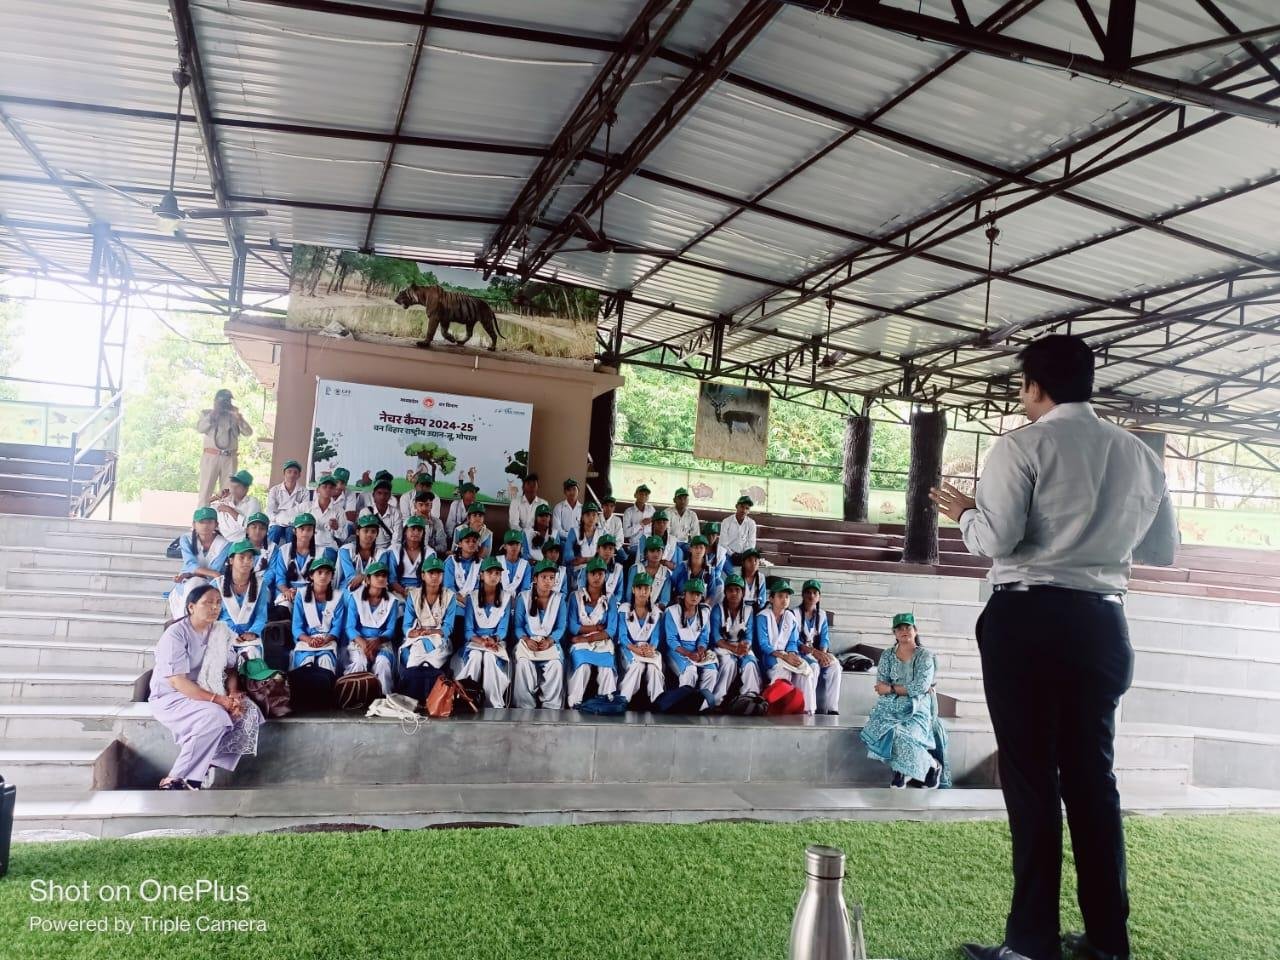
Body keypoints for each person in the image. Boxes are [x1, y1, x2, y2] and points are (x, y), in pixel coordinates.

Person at [929, 334, 1178, 960]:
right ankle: (1108, 941)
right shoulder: (1141, 455)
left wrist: (964, 513)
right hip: (1103, 622)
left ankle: (1031, 943)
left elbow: (996, 539)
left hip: (1030, 619)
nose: (1022, 396)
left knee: (1032, 778)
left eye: (1022, 385)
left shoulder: (1022, 446)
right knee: (1094, 780)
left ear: (1035, 386)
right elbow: (1158, 547)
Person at [151, 583, 263, 790]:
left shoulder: (221, 630)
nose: (215, 607)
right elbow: (177, 681)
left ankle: (206, 764)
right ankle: (176, 778)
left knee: (249, 712)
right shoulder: (176, 634)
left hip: (211, 690)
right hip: (173, 695)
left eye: (218, 603)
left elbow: (230, 668)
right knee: (215, 716)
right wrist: (220, 701)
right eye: (208, 603)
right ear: (191, 607)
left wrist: (233, 693)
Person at [859, 613, 943, 791]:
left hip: (918, 706)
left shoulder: (925, 656)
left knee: (901, 732)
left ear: (915, 631)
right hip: (892, 704)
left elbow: (920, 687)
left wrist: (891, 688)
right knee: (881, 729)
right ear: (894, 633)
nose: (904, 631)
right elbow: (881, 683)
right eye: (900, 628)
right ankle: (910, 768)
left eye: (908, 627)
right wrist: (896, 690)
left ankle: (927, 767)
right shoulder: (887, 655)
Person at [288, 556, 346, 708]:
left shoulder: (338, 596)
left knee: (325, 661)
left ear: (332, 576)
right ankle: (304, 702)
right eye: (319, 572)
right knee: (306, 663)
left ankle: (324, 702)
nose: (323, 576)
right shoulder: (301, 595)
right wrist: (309, 640)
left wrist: (326, 639)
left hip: (327, 641)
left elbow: (337, 627)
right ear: (311, 576)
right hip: (306, 641)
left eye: (327, 573)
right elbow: (296, 627)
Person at [399, 556, 459, 702]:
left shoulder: (450, 596)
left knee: (431, 661)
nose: (435, 576)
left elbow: (448, 627)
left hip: (440, 638)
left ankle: (431, 701)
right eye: (431, 573)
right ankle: (411, 700)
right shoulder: (413, 595)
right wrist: (412, 632)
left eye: (438, 573)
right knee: (417, 650)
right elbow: (406, 625)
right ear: (423, 575)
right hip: (418, 637)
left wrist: (433, 632)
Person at [458, 555, 513, 707]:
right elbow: (468, 630)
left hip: (496, 642)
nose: (494, 576)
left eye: (497, 573)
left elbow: (503, 629)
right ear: (481, 575)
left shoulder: (506, 598)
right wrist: (481, 641)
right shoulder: (472, 597)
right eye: (490, 572)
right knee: (475, 656)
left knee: (489, 657)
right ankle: (467, 699)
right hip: (476, 642)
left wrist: (493, 640)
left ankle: (493, 702)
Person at [513, 558, 567, 709]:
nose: (548, 581)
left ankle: (551, 706)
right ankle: (524, 706)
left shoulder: (559, 599)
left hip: (549, 643)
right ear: (535, 579)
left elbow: (561, 627)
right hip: (528, 642)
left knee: (556, 665)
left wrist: (550, 640)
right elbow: (518, 626)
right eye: (544, 577)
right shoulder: (523, 597)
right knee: (523, 663)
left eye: (551, 578)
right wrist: (526, 639)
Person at [565, 557, 618, 707]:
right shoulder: (575, 597)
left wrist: (589, 638)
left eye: (600, 574)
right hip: (580, 641)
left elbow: (610, 630)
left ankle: (606, 702)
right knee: (583, 667)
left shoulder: (610, 598)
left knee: (606, 668)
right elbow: (573, 627)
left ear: (605, 576)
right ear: (587, 575)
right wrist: (595, 628)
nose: (596, 577)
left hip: (601, 641)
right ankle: (574, 703)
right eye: (593, 573)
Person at [755, 580, 814, 713]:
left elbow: (793, 642)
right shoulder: (763, 616)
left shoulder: (790, 616)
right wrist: (784, 657)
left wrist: (792, 654)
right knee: (783, 671)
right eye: (780, 596)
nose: (784, 600)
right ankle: (777, 707)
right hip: (770, 657)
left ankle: (806, 709)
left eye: (787, 597)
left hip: (787, 655)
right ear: (771, 599)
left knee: (805, 671)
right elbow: (764, 645)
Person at [342, 560, 400, 697]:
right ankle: (355, 698)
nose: (381, 578)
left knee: (383, 663)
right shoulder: (355, 597)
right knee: (359, 662)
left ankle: (384, 698)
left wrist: (377, 642)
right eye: (376, 575)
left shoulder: (392, 601)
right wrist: (364, 644)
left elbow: (391, 629)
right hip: (359, 641)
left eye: (384, 575)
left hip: (381, 642)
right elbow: (350, 627)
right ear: (367, 579)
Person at [662, 578, 717, 708]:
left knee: (712, 671)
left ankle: (702, 705)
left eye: (698, 594)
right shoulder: (672, 611)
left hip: (696, 650)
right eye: (691, 593)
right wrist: (688, 653)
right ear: (684, 593)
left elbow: (704, 638)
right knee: (690, 670)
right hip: (677, 651)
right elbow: (671, 640)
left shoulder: (705, 612)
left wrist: (701, 650)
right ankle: (683, 704)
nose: (695, 597)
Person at [169, 506, 230, 619]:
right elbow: (191, 564)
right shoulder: (186, 539)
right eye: (201, 522)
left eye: (209, 522)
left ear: (216, 524)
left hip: (211, 583)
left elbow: (216, 568)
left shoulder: (225, 544)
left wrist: (191, 573)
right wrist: (211, 573)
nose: (205, 526)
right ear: (194, 524)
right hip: (187, 582)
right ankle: (185, 621)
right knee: (193, 584)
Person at [214, 540, 270, 663]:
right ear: (231, 560)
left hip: (248, 639)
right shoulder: (216, 584)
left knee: (252, 655)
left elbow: (261, 615)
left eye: (250, 558)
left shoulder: (260, 585)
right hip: (223, 636)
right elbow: (212, 617)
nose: (247, 561)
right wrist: (227, 634)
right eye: (242, 557)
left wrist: (253, 632)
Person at [196, 388, 253, 505]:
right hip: (211, 456)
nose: (226, 403)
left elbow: (248, 432)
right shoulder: (207, 413)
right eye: (223, 401)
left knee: (228, 493)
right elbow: (200, 428)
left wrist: (239, 418)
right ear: (216, 401)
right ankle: (201, 516)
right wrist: (213, 414)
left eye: (228, 401)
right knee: (205, 491)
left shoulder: (234, 416)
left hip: (230, 457)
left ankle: (225, 516)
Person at [615, 571, 665, 706]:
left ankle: (657, 702)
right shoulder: (624, 609)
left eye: (646, 588)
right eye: (639, 588)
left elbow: (655, 637)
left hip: (648, 648)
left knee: (653, 667)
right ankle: (623, 699)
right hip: (629, 647)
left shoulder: (656, 612)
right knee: (637, 665)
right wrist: (634, 649)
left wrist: (651, 649)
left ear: (651, 590)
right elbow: (622, 636)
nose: (643, 592)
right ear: (633, 590)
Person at [710, 573, 761, 703]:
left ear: (743, 592)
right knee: (729, 663)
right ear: (725, 592)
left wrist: (744, 647)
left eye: (737, 590)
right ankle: (717, 700)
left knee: (750, 663)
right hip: (723, 646)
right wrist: (733, 649)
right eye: (730, 590)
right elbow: (716, 637)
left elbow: (749, 636)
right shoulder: (717, 609)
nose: (734, 593)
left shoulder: (749, 610)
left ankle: (750, 698)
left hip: (741, 645)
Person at [797, 579, 841, 715]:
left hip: (817, 653)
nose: (811, 596)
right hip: (801, 653)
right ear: (803, 595)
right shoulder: (794, 613)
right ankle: (811, 707)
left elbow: (824, 639)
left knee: (835, 666)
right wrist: (815, 653)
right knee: (814, 666)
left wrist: (823, 654)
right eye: (808, 592)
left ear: (819, 596)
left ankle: (832, 708)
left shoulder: (822, 615)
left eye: (815, 593)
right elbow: (794, 641)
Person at [265, 513, 318, 615]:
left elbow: (321, 580)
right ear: (294, 531)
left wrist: (304, 592)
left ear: (314, 532)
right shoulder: (284, 550)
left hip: (311, 592)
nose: (305, 533)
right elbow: (280, 578)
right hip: (288, 591)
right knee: (283, 609)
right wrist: (286, 591)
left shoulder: (321, 552)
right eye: (302, 529)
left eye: (309, 529)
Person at [338, 514, 392, 592]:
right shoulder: (346, 550)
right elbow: (350, 578)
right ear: (357, 532)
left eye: (373, 531)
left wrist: (363, 576)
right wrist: (367, 577)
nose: (369, 534)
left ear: (377, 534)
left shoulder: (382, 553)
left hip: (373, 587)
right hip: (349, 586)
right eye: (366, 531)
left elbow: (379, 576)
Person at [266, 459, 308, 545]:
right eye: (289, 472)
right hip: (277, 522)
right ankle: (269, 552)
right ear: (284, 473)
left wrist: (291, 521)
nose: (292, 475)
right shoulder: (275, 490)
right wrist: (280, 520)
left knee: (290, 531)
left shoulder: (304, 491)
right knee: (275, 530)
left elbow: (304, 511)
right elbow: (270, 511)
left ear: (299, 475)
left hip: (294, 523)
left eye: (295, 472)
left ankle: (291, 553)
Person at [389, 515, 432, 598]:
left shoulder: (429, 553)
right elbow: (392, 580)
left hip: (422, 592)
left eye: (419, 530)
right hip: (398, 592)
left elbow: (430, 581)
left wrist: (418, 594)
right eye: (413, 529)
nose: (416, 532)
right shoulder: (395, 550)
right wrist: (403, 592)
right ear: (405, 531)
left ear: (423, 534)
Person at [211, 470, 260, 543]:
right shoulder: (226, 499)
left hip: (240, 543)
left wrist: (230, 510)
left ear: (246, 489)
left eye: (237, 487)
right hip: (220, 541)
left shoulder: (252, 502)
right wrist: (216, 497)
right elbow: (204, 509)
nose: (233, 489)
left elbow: (251, 525)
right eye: (231, 486)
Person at [357, 477, 402, 554]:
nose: (382, 497)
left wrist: (388, 554)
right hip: (369, 549)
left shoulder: (396, 513)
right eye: (379, 493)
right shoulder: (365, 512)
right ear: (373, 495)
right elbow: (362, 537)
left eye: (386, 494)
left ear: (390, 496)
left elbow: (396, 540)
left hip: (390, 549)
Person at [672, 535, 721, 603]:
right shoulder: (682, 567)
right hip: (680, 602)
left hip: (700, 603)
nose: (698, 550)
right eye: (696, 547)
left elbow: (711, 593)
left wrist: (704, 605)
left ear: (705, 550)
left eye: (701, 548)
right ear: (690, 549)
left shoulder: (710, 571)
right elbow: (672, 584)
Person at [564, 501, 603, 588]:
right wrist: (593, 558)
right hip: (578, 572)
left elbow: (604, 558)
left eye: (594, 515)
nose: (591, 518)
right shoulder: (574, 531)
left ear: (597, 517)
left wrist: (584, 559)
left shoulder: (602, 533)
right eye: (588, 515)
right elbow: (568, 557)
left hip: (597, 571)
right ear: (582, 517)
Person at [626, 536, 672, 609]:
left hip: (655, 610)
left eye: (658, 550)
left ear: (663, 553)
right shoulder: (635, 569)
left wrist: (652, 610)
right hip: (634, 607)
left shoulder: (666, 573)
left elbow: (664, 600)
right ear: (646, 553)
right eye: (652, 550)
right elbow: (629, 595)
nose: (656, 554)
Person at [445, 527, 484, 606]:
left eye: (474, 541)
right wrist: (462, 599)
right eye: (467, 541)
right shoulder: (451, 562)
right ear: (460, 544)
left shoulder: (481, 564)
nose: (471, 544)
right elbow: (448, 587)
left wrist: (471, 602)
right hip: (454, 601)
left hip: (475, 602)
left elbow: (480, 588)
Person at [308, 475, 347, 552]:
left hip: (328, 547)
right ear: (317, 490)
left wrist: (336, 528)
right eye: (324, 487)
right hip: (308, 545)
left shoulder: (339, 510)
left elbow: (343, 537)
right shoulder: (307, 507)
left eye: (331, 487)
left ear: (334, 490)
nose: (328, 489)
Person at [720, 495, 757, 564]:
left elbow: (752, 543)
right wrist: (732, 554)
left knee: (752, 565)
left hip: (745, 556)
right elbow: (722, 543)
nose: (744, 510)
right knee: (729, 569)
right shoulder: (726, 522)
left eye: (747, 508)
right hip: (728, 555)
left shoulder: (751, 523)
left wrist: (744, 555)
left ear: (749, 510)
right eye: (742, 507)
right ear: (736, 506)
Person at [497, 529, 532, 596]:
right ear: (504, 546)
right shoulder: (497, 561)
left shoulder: (526, 565)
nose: (514, 546)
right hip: (498, 598)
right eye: (511, 543)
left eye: (517, 544)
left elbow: (525, 589)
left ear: (521, 546)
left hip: (518, 599)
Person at [621, 484, 654, 550]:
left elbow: (655, 527)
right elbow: (626, 533)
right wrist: (641, 524)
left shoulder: (651, 509)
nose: (643, 496)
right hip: (635, 545)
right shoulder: (629, 512)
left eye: (646, 494)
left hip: (650, 544)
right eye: (641, 494)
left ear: (648, 497)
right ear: (635, 495)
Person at [595, 534, 626, 603]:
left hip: (610, 603)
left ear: (614, 550)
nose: (607, 551)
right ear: (598, 549)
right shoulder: (588, 567)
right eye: (604, 548)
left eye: (610, 548)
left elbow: (619, 593)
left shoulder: (618, 569)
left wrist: (610, 602)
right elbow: (584, 590)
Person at [738, 548, 768, 616]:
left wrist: (757, 609)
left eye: (756, 560)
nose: (753, 563)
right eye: (749, 560)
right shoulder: (738, 577)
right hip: (740, 610)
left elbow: (762, 600)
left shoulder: (761, 577)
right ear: (743, 563)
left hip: (756, 610)